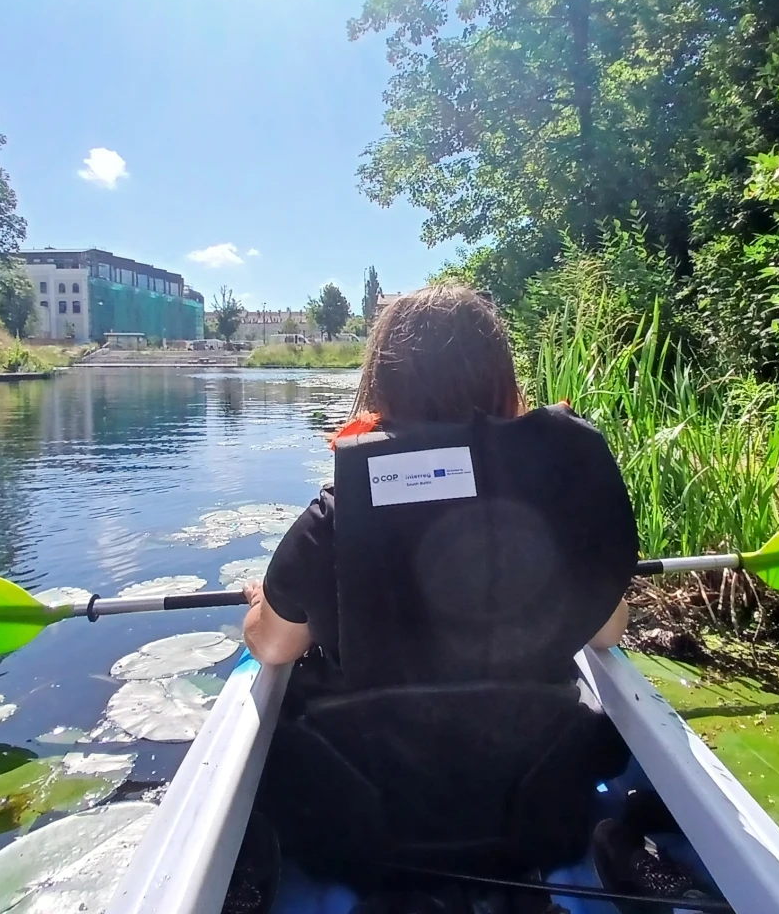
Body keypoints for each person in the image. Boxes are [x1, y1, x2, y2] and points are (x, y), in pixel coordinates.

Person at [240, 284, 639, 900]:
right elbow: (609, 631)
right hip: (532, 822)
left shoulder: (339, 512)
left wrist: (261, 603)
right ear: (501, 379)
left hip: (369, 834)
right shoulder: (558, 500)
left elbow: (272, 647)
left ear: (384, 384)